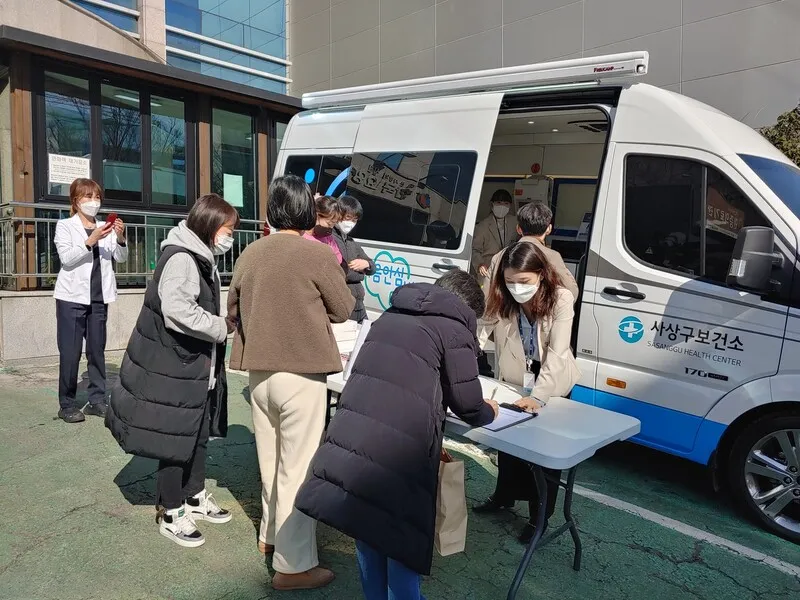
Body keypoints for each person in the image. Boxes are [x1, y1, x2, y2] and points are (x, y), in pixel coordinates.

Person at [295, 269, 499, 600]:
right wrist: (491, 410)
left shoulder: (390, 316)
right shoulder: (454, 328)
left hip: (357, 436)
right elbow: (469, 404)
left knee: (368, 530)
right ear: (467, 308)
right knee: (401, 542)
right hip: (400, 453)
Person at [227, 175, 354, 591]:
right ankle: (293, 564)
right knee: (298, 469)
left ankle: (269, 536)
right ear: (305, 211)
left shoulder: (250, 252)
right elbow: (343, 307)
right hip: (301, 373)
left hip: (258, 372)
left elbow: (233, 308)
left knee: (271, 463)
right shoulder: (315, 254)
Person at [107, 194, 238, 548]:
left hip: (191, 365)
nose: (230, 237)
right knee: (174, 439)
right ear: (211, 227)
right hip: (175, 365)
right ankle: (171, 510)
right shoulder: (182, 257)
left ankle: (193, 495)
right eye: (228, 230)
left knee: (195, 435)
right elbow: (177, 310)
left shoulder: (196, 253)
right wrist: (220, 326)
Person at [474, 241, 580, 543]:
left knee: (543, 454)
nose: (517, 288)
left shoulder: (560, 299)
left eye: (524, 282)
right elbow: (484, 325)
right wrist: (469, 354)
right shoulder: (503, 295)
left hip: (552, 386)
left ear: (541, 275)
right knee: (508, 447)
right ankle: (503, 497)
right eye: (510, 282)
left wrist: (538, 397)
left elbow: (558, 353)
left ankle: (539, 518)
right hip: (514, 380)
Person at [53, 178, 127, 423]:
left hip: (99, 298)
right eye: (88, 197)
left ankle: (96, 400)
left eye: (96, 197)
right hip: (71, 298)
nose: (93, 202)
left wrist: (120, 238)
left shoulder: (105, 227)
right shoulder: (65, 226)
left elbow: (121, 258)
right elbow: (67, 259)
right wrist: (90, 240)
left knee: (97, 351)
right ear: (76, 201)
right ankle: (67, 404)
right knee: (70, 352)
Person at [488, 201, 579, 302]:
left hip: (505, 314)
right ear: (549, 229)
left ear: (518, 229)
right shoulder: (551, 256)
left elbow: (488, 293)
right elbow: (571, 292)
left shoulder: (500, 255)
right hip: (538, 314)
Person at [332, 195, 375, 323]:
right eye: (348, 218)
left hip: (359, 305)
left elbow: (373, 268)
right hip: (342, 303)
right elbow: (339, 272)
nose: (350, 223)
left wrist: (366, 264)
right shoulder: (329, 239)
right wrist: (358, 274)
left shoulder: (352, 243)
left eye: (354, 220)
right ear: (338, 215)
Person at [471, 189, 518, 287]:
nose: (502, 206)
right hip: (487, 270)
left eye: (506, 203)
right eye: (499, 203)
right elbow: (475, 249)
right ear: (492, 204)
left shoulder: (515, 222)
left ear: (510, 206)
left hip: (507, 270)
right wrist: (479, 264)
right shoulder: (482, 226)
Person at [303, 194, 344, 264]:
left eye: (333, 224)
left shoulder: (328, 238)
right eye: (329, 223)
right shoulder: (300, 234)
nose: (330, 227)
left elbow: (338, 258)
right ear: (316, 215)